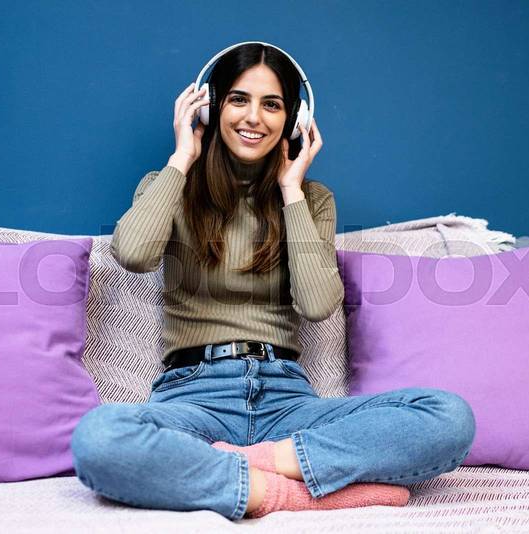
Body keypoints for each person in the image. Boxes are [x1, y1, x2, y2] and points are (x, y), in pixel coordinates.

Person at [70, 42, 476, 521]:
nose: (254, 117)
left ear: (295, 119)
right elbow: (133, 254)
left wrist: (290, 189)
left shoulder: (311, 199)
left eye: (272, 104)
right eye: (239, 99)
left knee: (449, 417)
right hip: (193, 399)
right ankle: (290, 493)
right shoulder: (169, 185)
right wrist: (183, 155)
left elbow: (318, 302)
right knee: (98, 439)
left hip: (287, 404)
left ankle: (248, 469)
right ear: (211, 105)